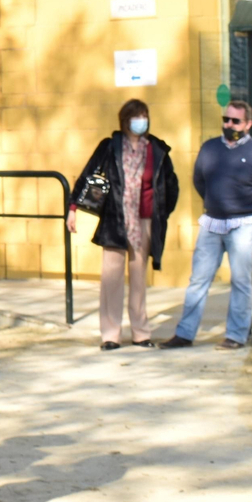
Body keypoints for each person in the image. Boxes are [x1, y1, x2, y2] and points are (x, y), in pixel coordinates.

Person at [162, 99, 252, 350]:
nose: (229, 124)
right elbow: (198, 180)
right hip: (212, 223)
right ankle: (184, 334)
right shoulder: (209, 148)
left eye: (235, 121)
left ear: (248, 124)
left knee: (240, 281)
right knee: (198, 280)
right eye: (226, 119)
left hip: (243, 224)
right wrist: (215, 202)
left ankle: (236, 335)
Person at [67, 99, 179, 350]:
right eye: (137, 117)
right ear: (125, 120)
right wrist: (73, 208)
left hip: (145, 222)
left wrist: (161, 213)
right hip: (115, 221)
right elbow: (87, 175)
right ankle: (110, 334)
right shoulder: (110, 147)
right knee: (111, 280)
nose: (142, 121)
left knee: (139, 279)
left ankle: (141, 333)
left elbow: (171, 185)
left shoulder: (157, 150)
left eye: (145, 116)